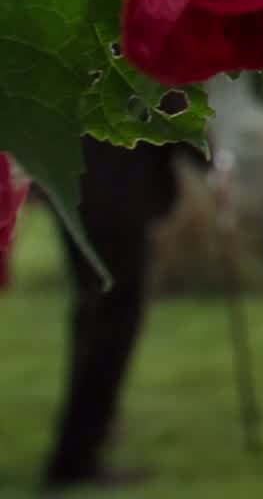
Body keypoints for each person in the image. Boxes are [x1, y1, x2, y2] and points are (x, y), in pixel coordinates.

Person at [42, 135, 182, 491]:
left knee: (92, 312)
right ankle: (76, 457)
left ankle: (87, 436)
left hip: (68, 182)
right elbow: (168, 106)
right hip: (116, 191)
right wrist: (212, 161)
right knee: (114, 318)